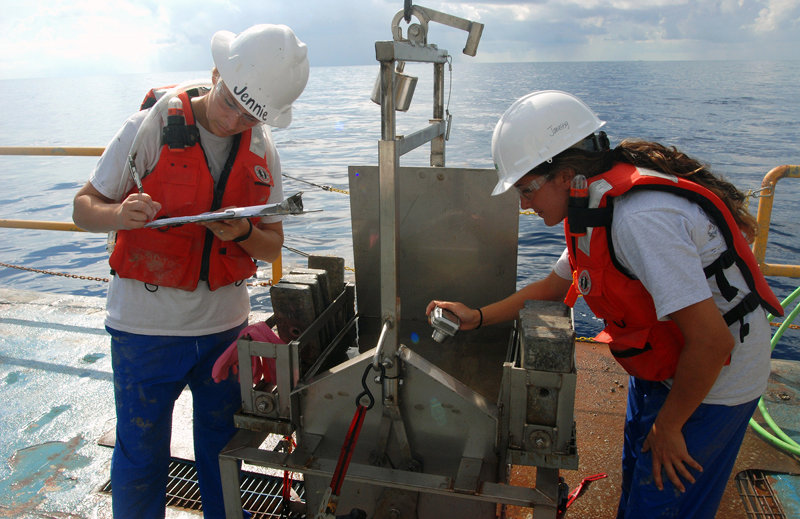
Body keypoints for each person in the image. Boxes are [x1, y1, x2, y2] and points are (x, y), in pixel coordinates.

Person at [426, 90, 784, 519]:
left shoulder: (640, 220)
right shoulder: (591, 207)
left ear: (565, 174)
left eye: (526, 189)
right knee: (637, 485)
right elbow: (550, 287)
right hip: (664, 364)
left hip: (714, 383)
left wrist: (670, 427)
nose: (523, 204)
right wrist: (478, 317)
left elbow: (711, 343)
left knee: (663, 502)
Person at [72, 24, 309, 519]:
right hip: (145, 333)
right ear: (216, 72)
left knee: (224, 456)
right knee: (141, 454)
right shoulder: (149, 126)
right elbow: (82, 207)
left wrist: (243, 232)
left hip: (223, 331)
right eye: (230, 101)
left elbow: (272, 245)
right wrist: (118, 215)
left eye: (252, 114)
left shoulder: (263, 150)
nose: (234, 119)